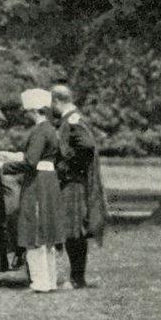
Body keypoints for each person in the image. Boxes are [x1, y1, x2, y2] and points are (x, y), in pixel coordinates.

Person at [1, 88, 66, 293]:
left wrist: (5, 166)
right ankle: (50, 280)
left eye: (29, 111)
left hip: (37, 184)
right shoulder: (51, 131)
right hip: (49, 181)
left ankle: (40, 282)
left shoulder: (39, 131)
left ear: (35, 111)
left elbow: (30, 161)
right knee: (47, 235)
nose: (27, 115)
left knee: (34, 231)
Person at [51, 83, 107, 289]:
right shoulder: (69, 120)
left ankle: (77, 278)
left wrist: (69, 165)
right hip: (70, 181)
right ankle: (76, 277)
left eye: (52, 103)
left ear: (57, 101)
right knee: (71, 231)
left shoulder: (73, 120)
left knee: (74, 231)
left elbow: (87, 146)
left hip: (74, 182)